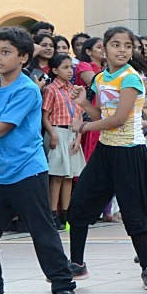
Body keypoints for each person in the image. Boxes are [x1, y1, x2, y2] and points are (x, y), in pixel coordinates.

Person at [0, 27, 76, 294]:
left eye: (5, 52)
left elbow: (2, 128)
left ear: (23, 57)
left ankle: (64, 289)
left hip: (28, 172)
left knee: (42, 232)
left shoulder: (27, 89)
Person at [66, 27, 147, 287]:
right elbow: (100, 116)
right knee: (80, 204)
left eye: (127, 46)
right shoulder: (100, 79)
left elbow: (118, 120)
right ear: (103, 49)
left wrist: (82, 127)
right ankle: (77, 263)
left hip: (130, 152)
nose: (122, 50)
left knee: (134, 213)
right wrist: (84, 104)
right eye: (116, 45)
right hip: (106, 151)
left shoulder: (130, 78)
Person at [42, 53, 85, 230]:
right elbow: (45, 115)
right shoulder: (51, 89)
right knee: (57, 176)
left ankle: (65, 213)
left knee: (69, 176)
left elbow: (79, 115)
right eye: (65, 67)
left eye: (71, 67)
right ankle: (53, 213)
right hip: (57, 131)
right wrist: (52, 134)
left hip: (72, 133)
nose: (70, 71)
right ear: (54, 70)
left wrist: (79, 137)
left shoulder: (74, 89)